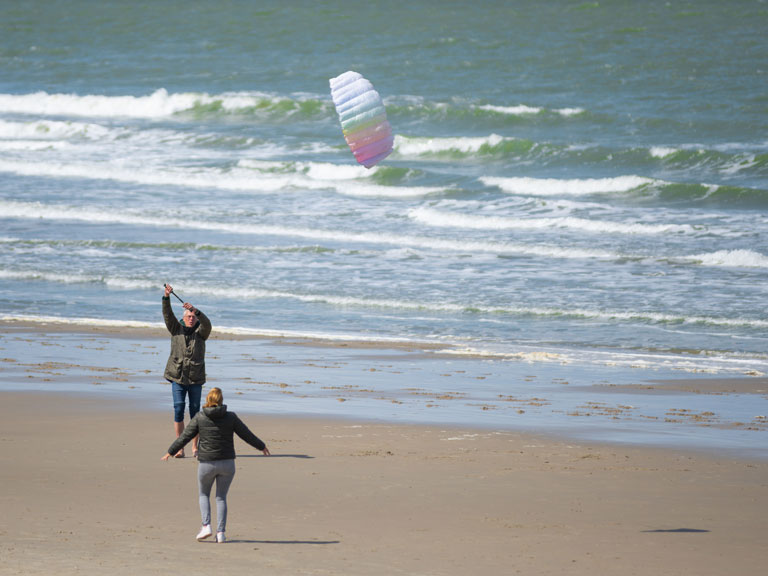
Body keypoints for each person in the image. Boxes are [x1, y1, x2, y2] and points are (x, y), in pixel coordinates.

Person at [161, 387, 271, 543]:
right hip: (227, 464)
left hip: (207, 463)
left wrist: (170, 452)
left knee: (203, 494)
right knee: (221, 498)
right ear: (221, 400)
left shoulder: (200, 417)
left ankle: (206, 526)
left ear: (208, 400)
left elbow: (185, 436)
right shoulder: (231, 417)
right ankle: (221, 533)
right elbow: (246, 434)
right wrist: (261, 446)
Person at [162, 283, 212, 458]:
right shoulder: (176, 329)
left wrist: (196, 310)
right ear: (183, 318)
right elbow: (167, 315)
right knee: (178, 409)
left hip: (196, 379)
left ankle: (195, 447)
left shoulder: (201, 333)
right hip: (178, 377)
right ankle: (179, 447)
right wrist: (166, 297)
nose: (191, 318)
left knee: (195, 412)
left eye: (193, 316)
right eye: (188, 316)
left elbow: (208, 323)